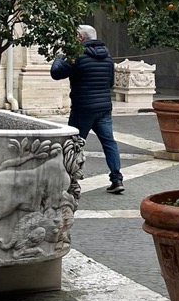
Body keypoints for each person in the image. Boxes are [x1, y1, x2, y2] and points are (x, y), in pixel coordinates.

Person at [50, 25, 124, 194]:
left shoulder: (77, 56)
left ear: (81, 38)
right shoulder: (107, 57)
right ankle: (117, 178)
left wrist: (60, 55)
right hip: (104, 107)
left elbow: (56, 73)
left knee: (73, 145)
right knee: (109, 142)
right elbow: (110, 83)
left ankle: (68, 180)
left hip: (83, 108)